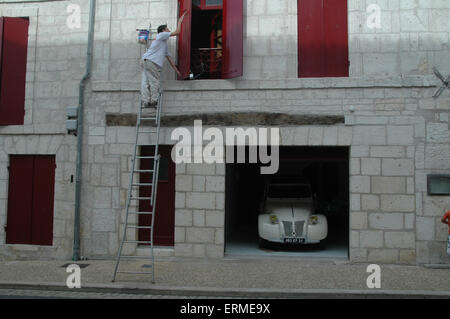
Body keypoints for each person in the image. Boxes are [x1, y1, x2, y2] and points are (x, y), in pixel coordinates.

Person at [141, 10, 189, 108]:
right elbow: (177, 32)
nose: (169, 31)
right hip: (152, 62)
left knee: (145, 82)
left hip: (145, 61)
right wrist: (180, 20)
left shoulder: (163, 44)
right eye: (167, 29)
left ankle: (145, 101)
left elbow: (170, 59)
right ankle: (154, 100)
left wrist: (177, 71)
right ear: (163, 30)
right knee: (155, 81)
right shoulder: (161, 35)